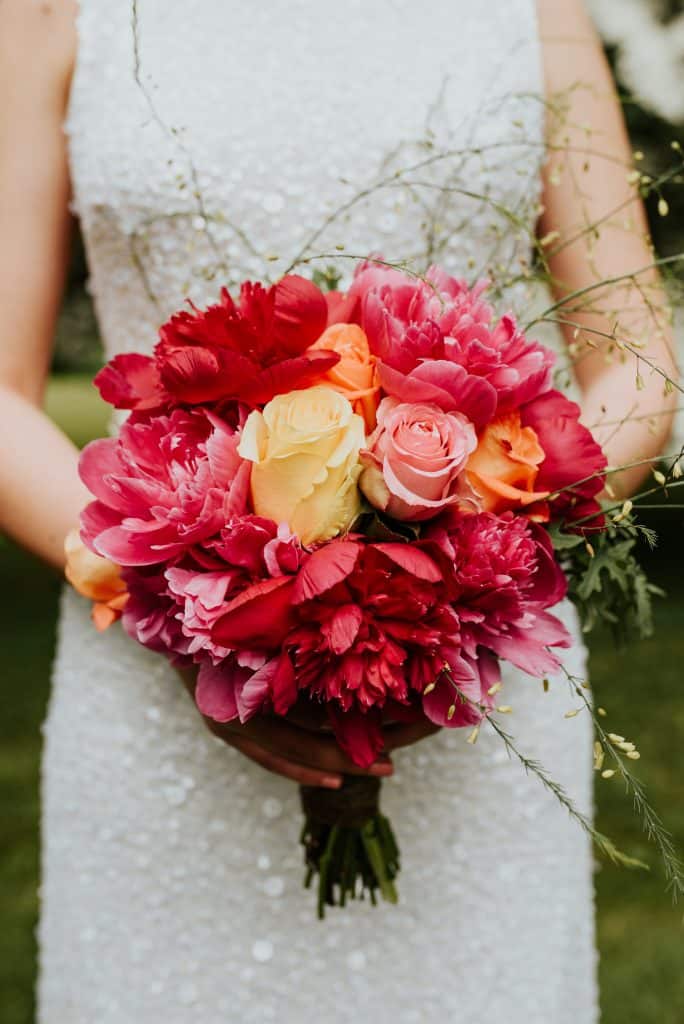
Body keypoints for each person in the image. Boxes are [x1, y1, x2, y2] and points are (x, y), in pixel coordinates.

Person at [0, 1, 676, 1021]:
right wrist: (186, 603)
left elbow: (636, 362)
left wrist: (466, 561)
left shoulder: (534, 9)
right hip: (153, 684)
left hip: (465, 686)